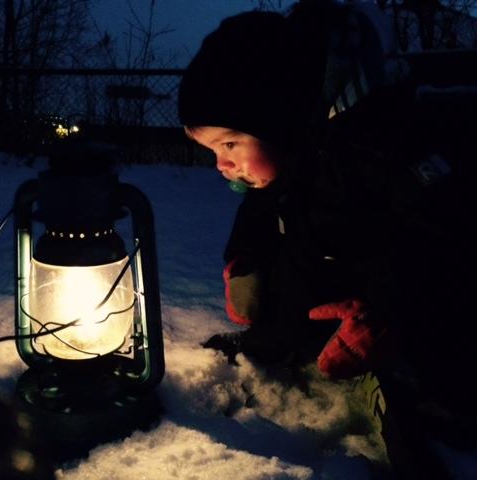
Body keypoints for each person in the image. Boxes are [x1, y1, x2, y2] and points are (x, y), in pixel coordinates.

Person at [178, 0, 476, 428]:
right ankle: (279, 345)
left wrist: (386, 316)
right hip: (325, 316)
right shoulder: (296, 153)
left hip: (398, 321)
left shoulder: (382, 149)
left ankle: (423, 406)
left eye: (229, 145)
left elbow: (436, 243)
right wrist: (246, 259)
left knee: (440, 363)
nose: (222, 165)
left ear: (278, 120)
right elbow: (262, 211)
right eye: (213, 152)